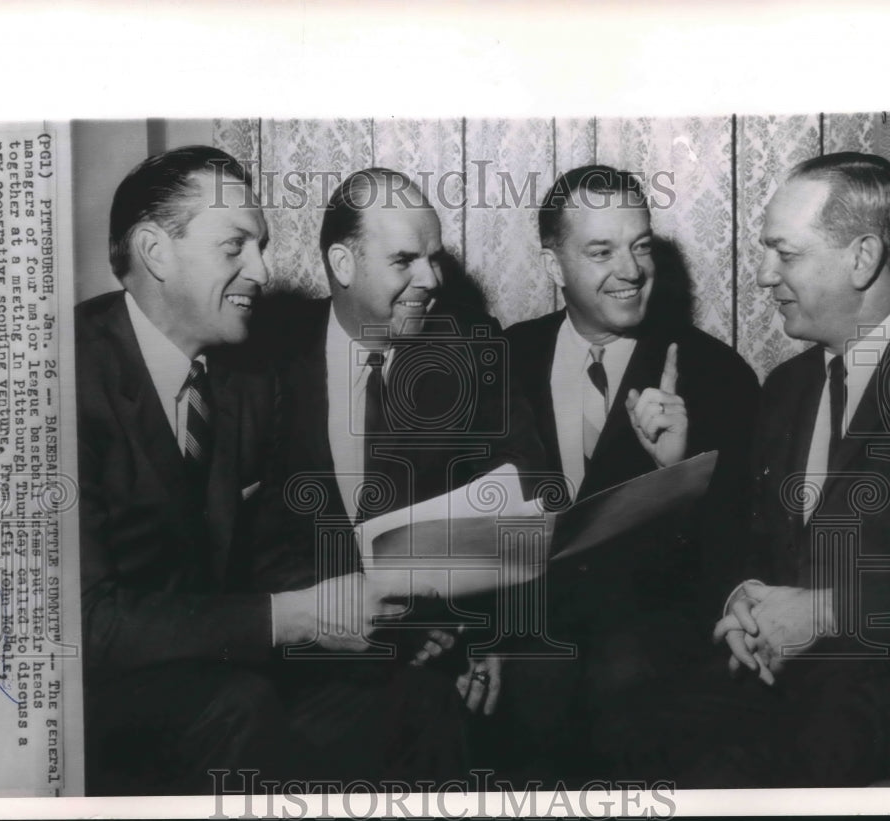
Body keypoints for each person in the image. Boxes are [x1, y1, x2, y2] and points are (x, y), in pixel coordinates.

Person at [77, 148, 462, 795]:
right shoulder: (60, 374)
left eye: (261, 246)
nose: (262, 269)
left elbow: (272, 545)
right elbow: (84, 622)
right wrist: (295, 617)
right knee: (242, 707)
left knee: (411, 696)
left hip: (222, 669)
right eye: (236, 247)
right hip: (99, 701)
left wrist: (386, 619)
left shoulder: (244, 378)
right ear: (156, 250)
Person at [254, 167, 547, 726]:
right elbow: (250, 539)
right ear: (343, 264)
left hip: (440, 647)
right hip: (305, 661)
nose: (431, 279)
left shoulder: (469, 347)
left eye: (434, 258)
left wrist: (490, 630)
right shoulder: (266, 358)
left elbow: (526, 492)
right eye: (404, 261)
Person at [500, 165, 760, 783]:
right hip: (520, 652)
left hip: (646, 672)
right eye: (601, 251)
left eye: (641, 246)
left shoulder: (717, 375)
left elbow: (736, 550)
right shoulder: (502, 359)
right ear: (550, 265)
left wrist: (677, 469)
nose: (632, 269)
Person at [704, 152, 890, 786]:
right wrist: (743, 600)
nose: (763, 276)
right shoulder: (786, 385)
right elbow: (758, 540)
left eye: (785, 254)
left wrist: (825, 613)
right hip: (782, 691)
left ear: (862, 258)